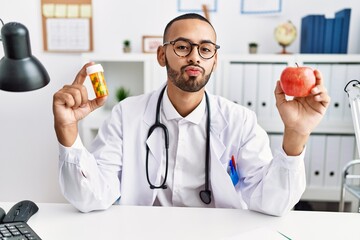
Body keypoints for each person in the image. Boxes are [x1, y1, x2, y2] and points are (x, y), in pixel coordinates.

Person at [52, 13, 330, 216]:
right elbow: (92, 197)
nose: (195, 56)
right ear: (162, 55)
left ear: (215, 60)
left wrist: (296, 132)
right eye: (183, 47)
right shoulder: (128, 115)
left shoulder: (239, 121)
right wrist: (68, 133)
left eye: (205, 49)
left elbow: (272, 203)